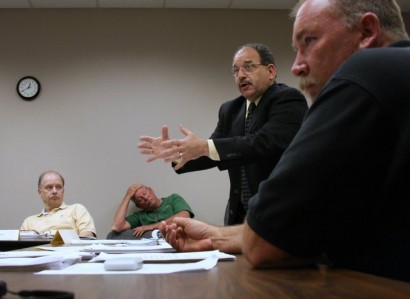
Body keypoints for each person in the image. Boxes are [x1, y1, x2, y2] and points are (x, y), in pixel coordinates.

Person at [159, 0, 410, 283]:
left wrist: (222, 235)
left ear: (367, 31)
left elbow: (270, 241)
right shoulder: (391, 86)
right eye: (296, 49)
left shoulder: (366, 71)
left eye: (310, 41)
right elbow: (322, 225)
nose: (298, 66)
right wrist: (215, 233)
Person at [139, 43, 308, 225]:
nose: (241, 75)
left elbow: (264, 142)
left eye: (248, 66)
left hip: (281, 212)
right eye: (236, 71)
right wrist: (178, 153)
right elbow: (213, 153)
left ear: (271, 71)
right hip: (240, 215)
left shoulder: (288, 99)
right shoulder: (230, 110)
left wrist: (206, 146)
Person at [20, 170, 97, 238]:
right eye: (49, 187)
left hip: (69, 252)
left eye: (58, 187)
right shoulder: (29, 222)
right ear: (40, 192)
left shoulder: (76, 209)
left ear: (63, 191)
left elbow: (87, 236)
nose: (54, 191)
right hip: (38, 253)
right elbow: (19, 246)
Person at [110, 183, 194, 238]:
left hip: (180, 241)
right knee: (112, 236)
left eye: (144, 193)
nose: (145, 198)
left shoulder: (173, 199)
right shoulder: (140, 216)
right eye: (140, 199)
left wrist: (151, 227)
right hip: (156, 249)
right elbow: (117, 227)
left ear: (151, 190)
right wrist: (127, 197)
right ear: (138, 206)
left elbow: (185, 216)